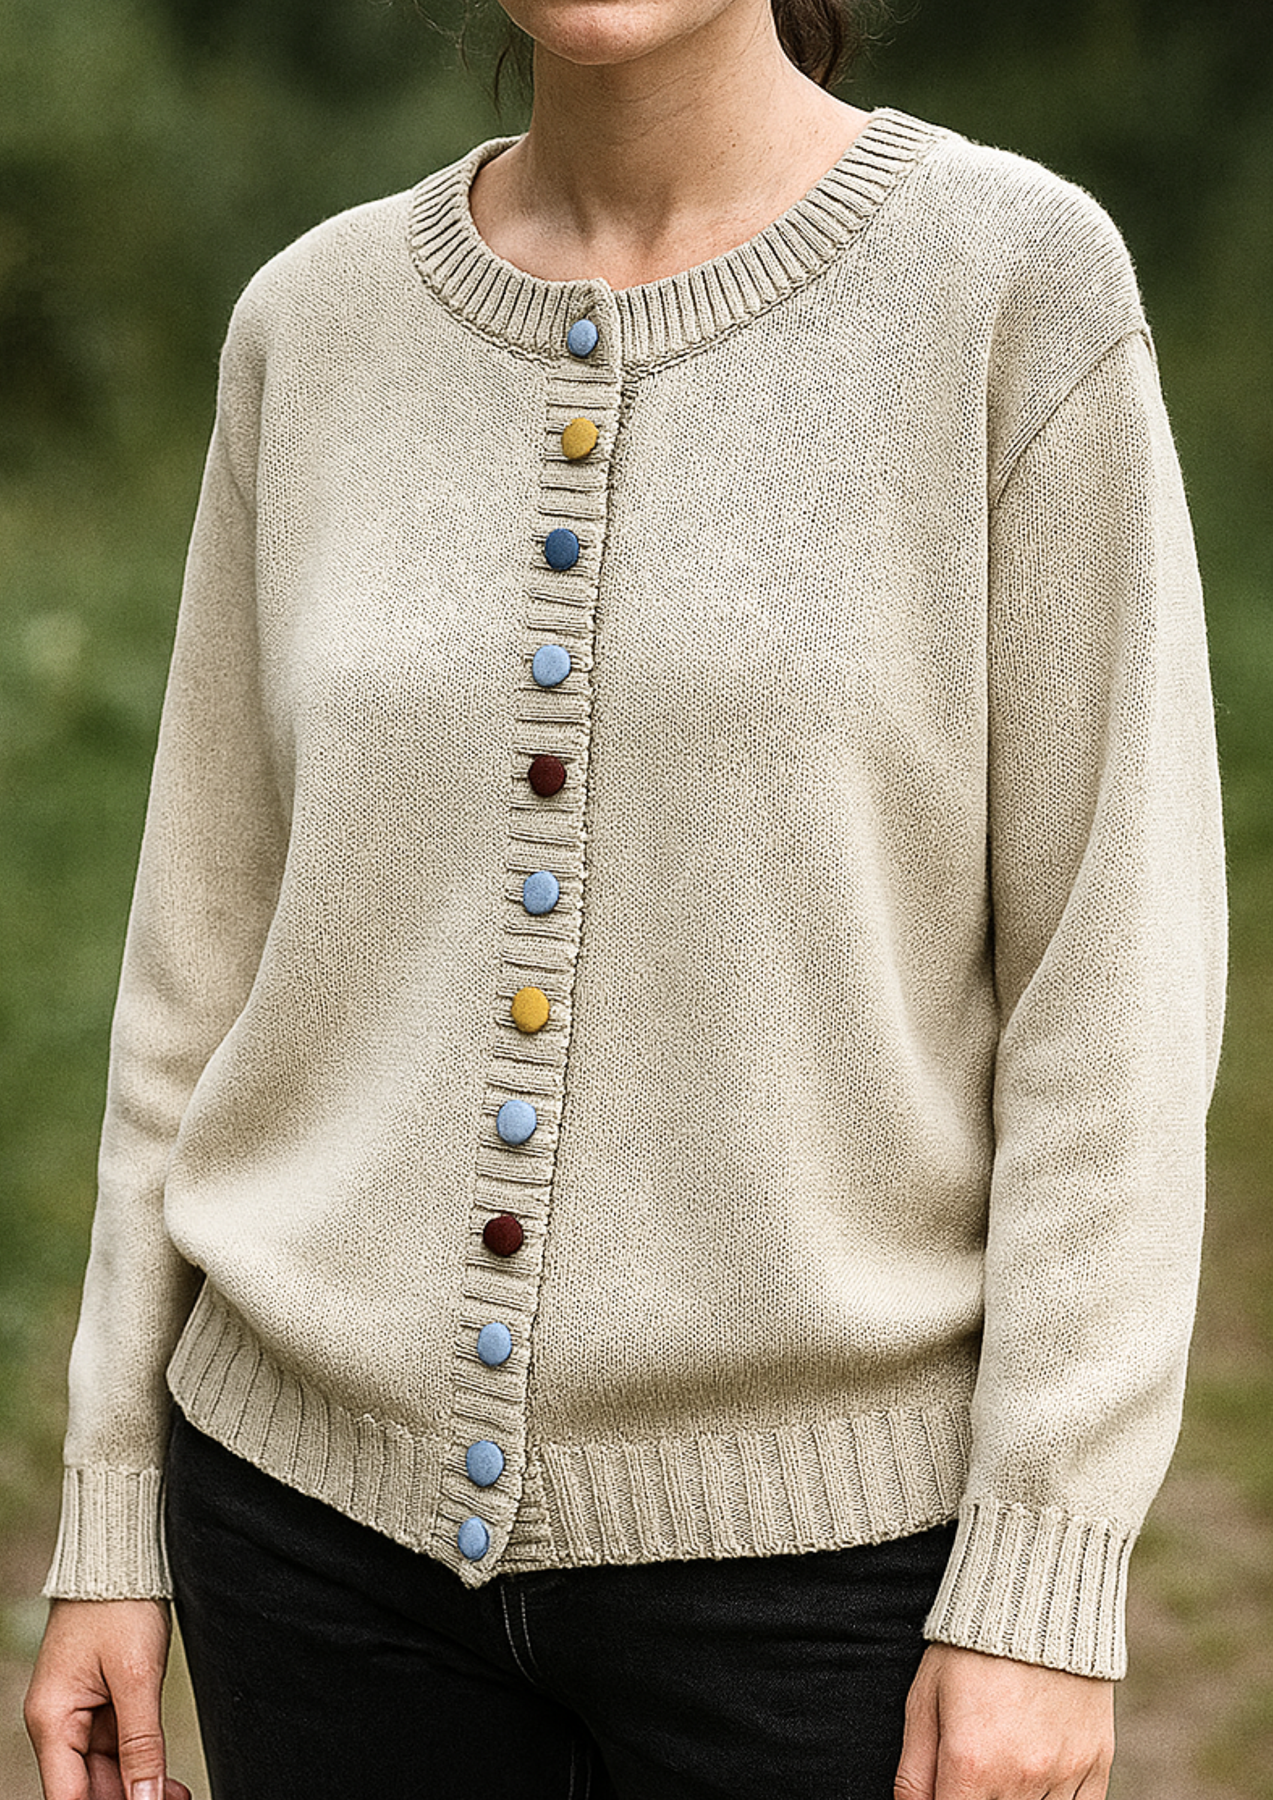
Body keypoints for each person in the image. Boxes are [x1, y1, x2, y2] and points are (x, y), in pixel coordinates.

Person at [24, 0, 1226, 1792]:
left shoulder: (1014, 290)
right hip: (301, 1550)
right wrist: (114, 1510)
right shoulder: (309, 326)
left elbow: (1112, 984)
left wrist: (1042, 1579)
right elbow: (193, 972)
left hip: (827, 1593)